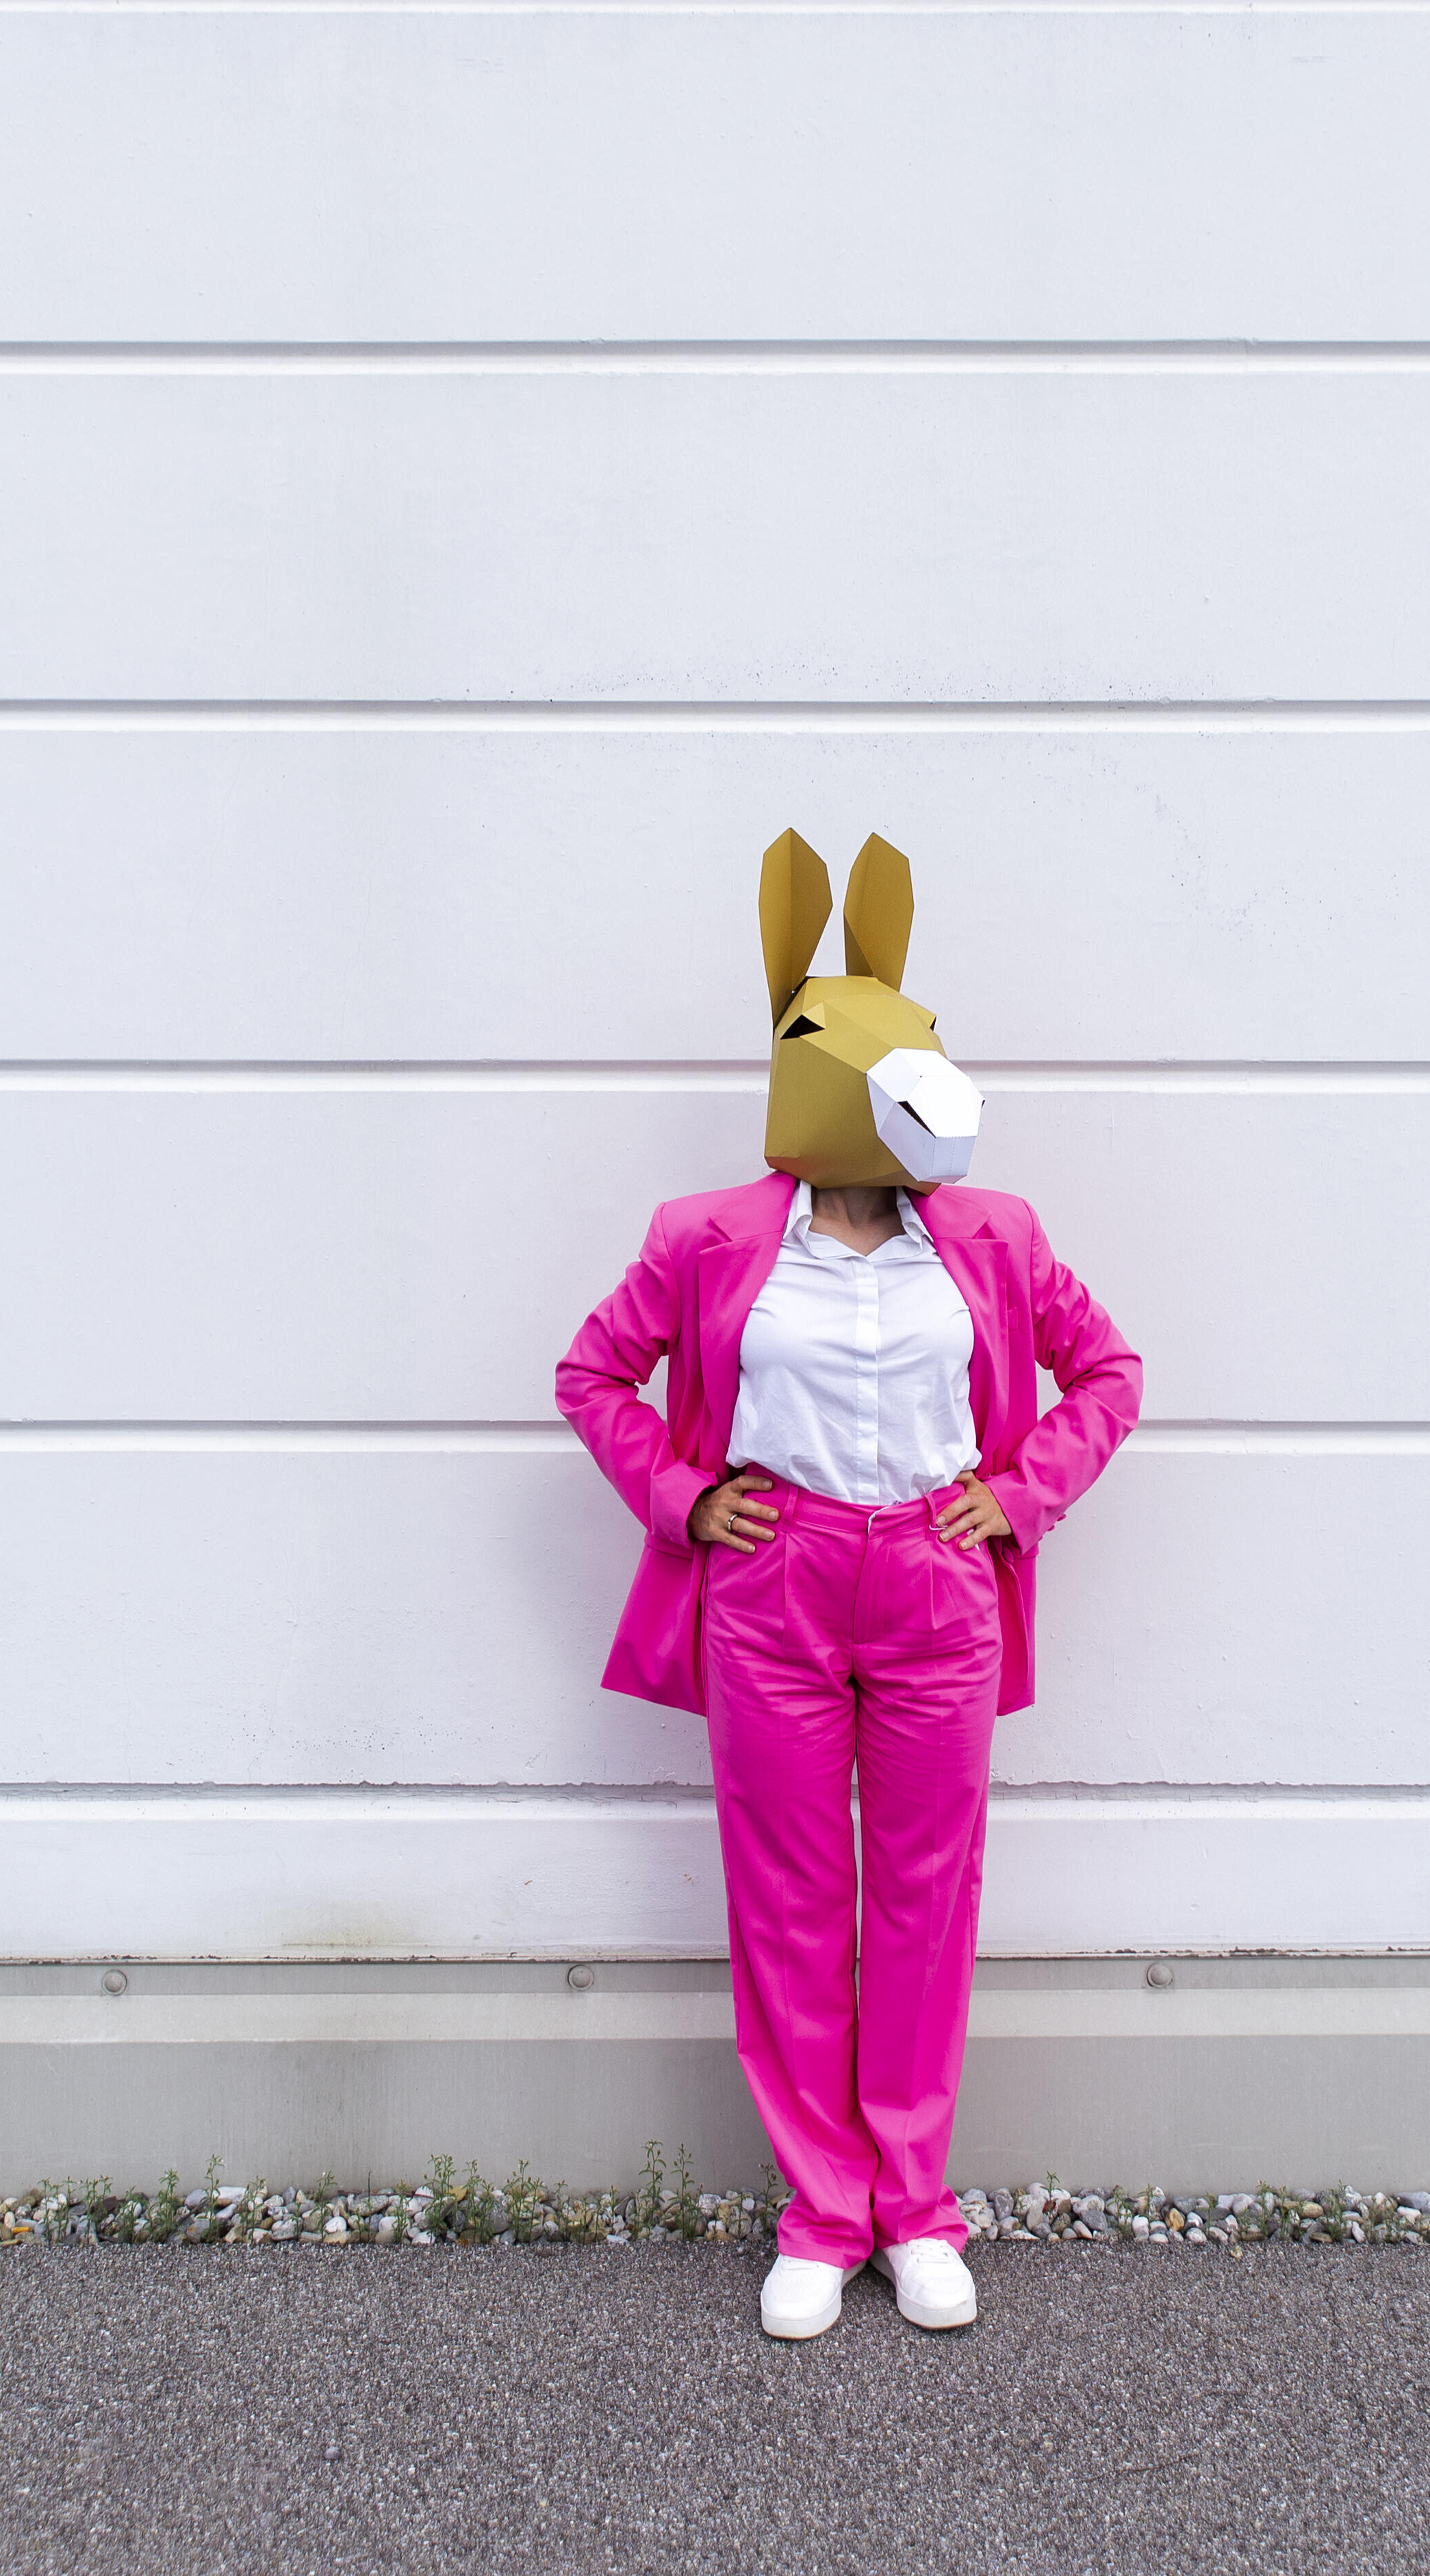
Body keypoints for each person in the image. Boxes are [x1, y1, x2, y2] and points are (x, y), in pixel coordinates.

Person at [555, 832, 1141, 2340]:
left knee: (929, 1898)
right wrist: (687, 1499)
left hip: (938, 1581)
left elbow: (1110, 1372)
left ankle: (917, 2205)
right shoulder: (710, 1238)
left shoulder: (994, 1238)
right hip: (778, 1580)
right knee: (793, 1903)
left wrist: (1014, 1500)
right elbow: (594, 1372)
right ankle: (823, 2210)